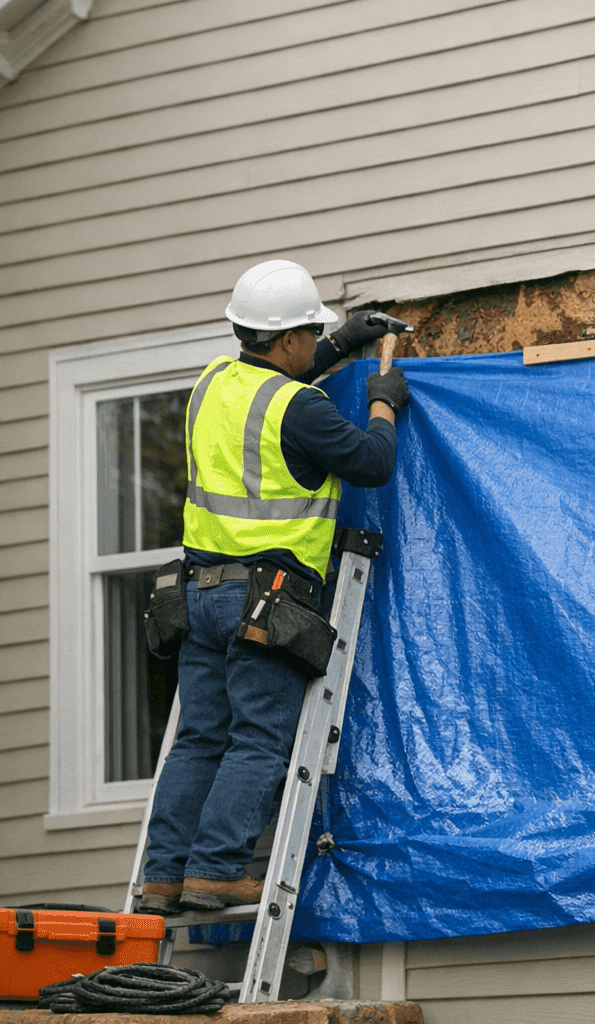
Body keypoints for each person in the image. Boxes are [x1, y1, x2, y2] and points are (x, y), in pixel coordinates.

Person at [136, 259, 411, 913]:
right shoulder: (302, 408)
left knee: (201, 737)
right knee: (259, 737)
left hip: (197, 594)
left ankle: (164, 874)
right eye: (311, 333)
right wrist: (383, 402)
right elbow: (371, 463)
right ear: (287, 340)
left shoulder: (212, 382)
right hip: (265, 599)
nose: (316, 342)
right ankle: (217, 871)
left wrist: (342, 341)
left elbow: (268, 393)